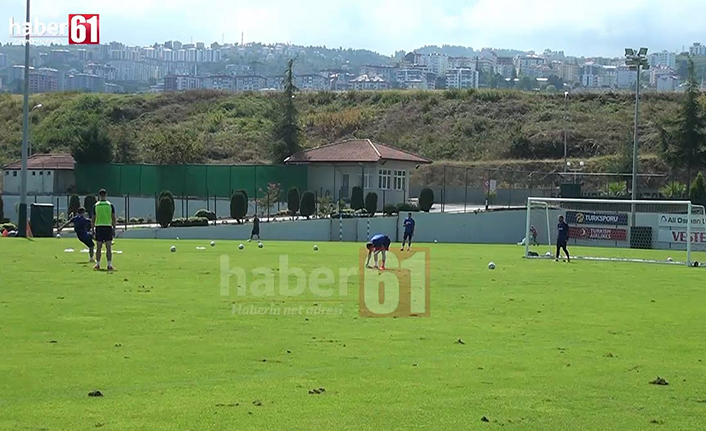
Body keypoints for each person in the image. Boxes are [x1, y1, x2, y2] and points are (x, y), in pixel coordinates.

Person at [92, 189, 116, 271]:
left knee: (98, 247)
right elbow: (113, 218)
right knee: (108, 247)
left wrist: (92, 229)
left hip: (99, 227)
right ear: (106, 195)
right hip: (108, 227)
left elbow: (93, 219)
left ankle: (97, 264)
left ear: (99, 196)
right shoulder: (110, 205)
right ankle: (109, 265)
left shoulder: (96, 206)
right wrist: (114, 228)